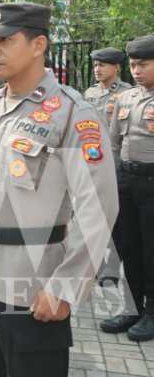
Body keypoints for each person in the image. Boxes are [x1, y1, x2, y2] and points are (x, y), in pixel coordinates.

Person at [0, 2, 118, 376]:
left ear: (38, 45)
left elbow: (99, 207)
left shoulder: (72, 113)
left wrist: (65, 287)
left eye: (6, 40)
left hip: (31, 284)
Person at [104, 35, 154, 341]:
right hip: (126, 181)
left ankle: (152, 313)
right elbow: (112, 144)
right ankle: (132, 308)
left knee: (152, 250)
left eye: (144, 64)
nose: (136, 70)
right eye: (133, 65)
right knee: (129, 248)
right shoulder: (125, 98)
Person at [84, 47, 132, 289]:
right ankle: (94, 264)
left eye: (103, 65)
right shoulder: (89, 93)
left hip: (115, 165)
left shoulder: (127, 93)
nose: (97, 69)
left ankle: (111, 268)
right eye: (95, 65)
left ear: (116, 67)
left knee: (116, 220)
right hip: (91, 164)